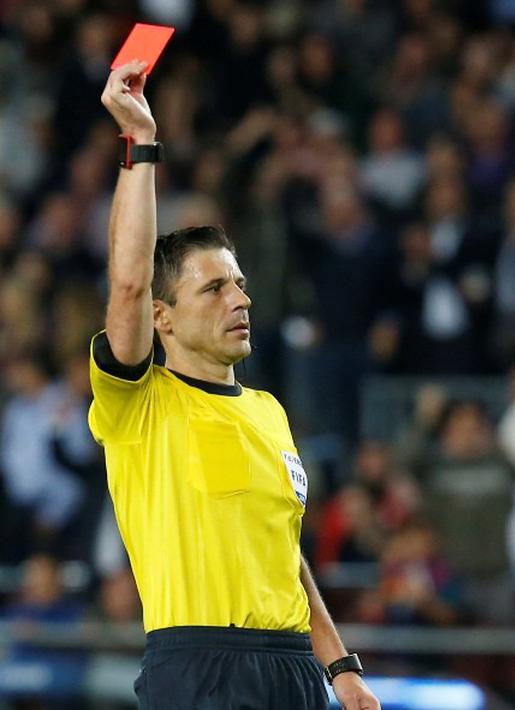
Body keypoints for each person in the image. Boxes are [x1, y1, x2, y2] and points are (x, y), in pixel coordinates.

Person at [89, 61, 379, 709]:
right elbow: (131, 281)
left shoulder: (269, 411)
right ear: (160, 317)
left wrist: (341, 668)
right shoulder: (137, 402)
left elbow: (285, 556)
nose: (239, 298)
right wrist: (140, 146)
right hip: (198, 670)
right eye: (214, 287)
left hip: (295, 670)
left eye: (240, 283)